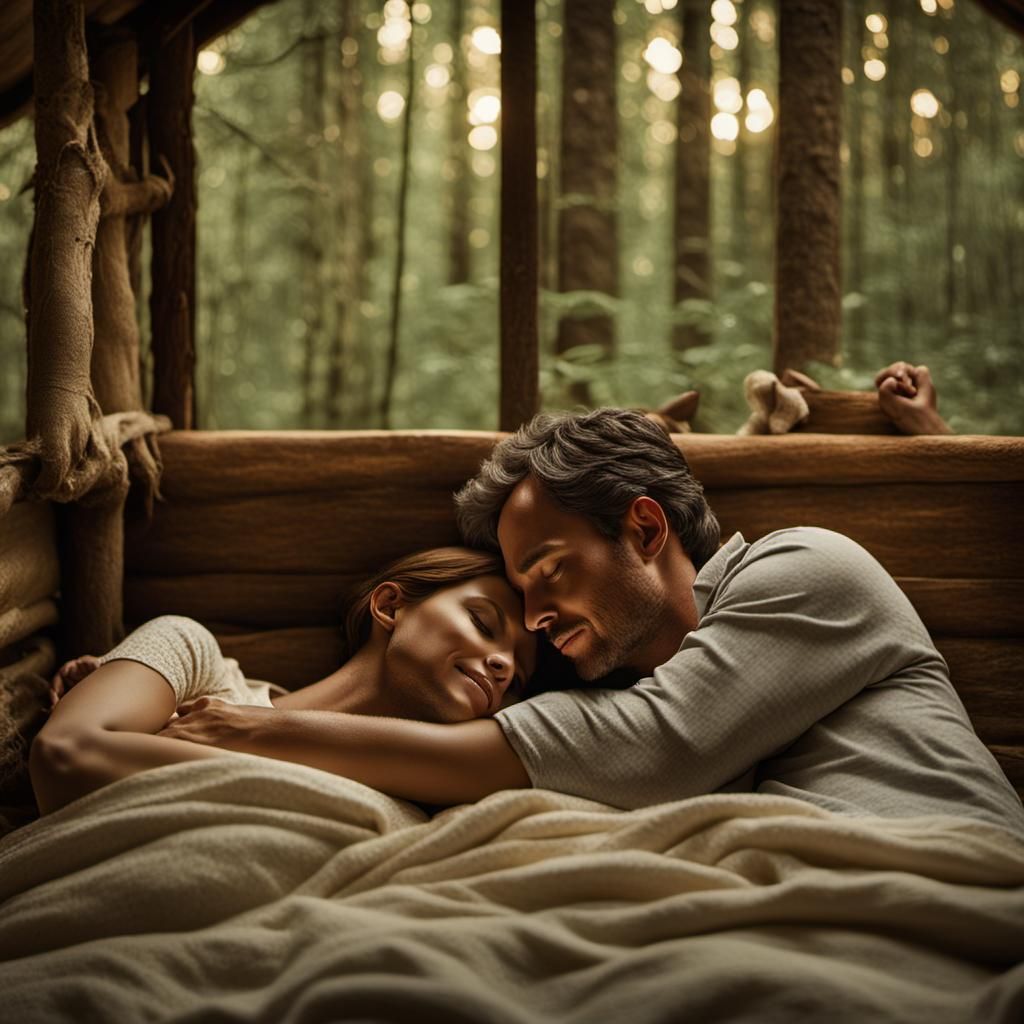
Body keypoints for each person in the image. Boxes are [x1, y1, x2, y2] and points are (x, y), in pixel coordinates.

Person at [122, 408, 1024, 835]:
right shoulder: (612, 686)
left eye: (548, 570)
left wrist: (259, 730)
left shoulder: (808, 569)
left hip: (943, 870)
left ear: (645, 529)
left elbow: (657, 747)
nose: (534, 617)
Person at [30, 547, 538, 816]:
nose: (503, 665)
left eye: (518, 677)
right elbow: (67, 755)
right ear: (389, 606)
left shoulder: (442, 804)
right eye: (482, 622)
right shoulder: (194, 662)